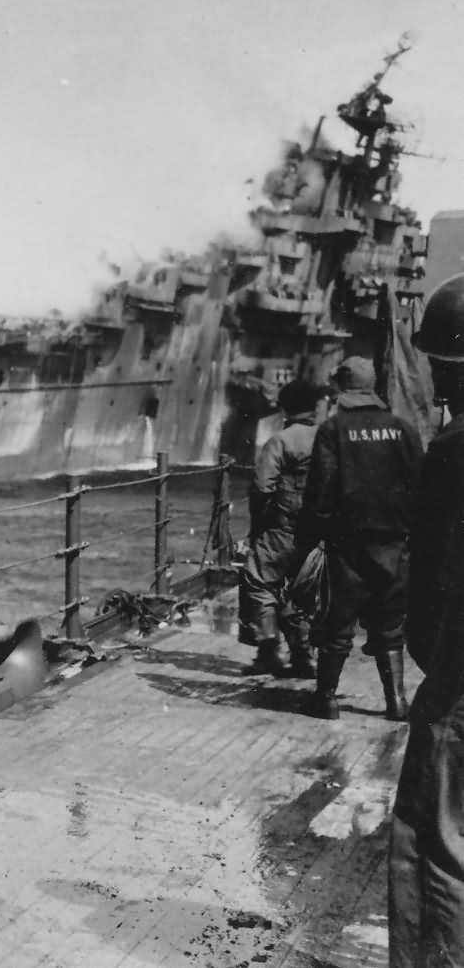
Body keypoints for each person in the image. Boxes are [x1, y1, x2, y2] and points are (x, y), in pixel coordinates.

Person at [390, 272, 464, 966]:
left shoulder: (452, 449)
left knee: (426, 841)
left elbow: (433, 586)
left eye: (447, 364)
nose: (439, 379)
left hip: (459, 680)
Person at [298, 355, 422, 720]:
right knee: (389, 625)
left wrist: (311, 536)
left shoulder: (333, 430)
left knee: (337, 624)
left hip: (348, 545)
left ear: (342, 387)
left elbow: (321, 492)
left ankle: (327, 699)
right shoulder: (403, 428)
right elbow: (421, 486)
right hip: (396, 544)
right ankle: (396, 701)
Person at [238, 379, 323, 677]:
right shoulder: (328, 437)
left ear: (285, 407)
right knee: (304, 590)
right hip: (317, 532)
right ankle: (303, 656)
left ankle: (268, 651)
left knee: (259, 582)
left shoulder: (282, 440)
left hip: (281, 528)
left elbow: (262, 486)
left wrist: (257, 523)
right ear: (315, 406)